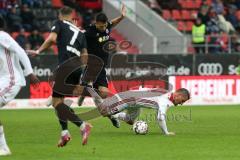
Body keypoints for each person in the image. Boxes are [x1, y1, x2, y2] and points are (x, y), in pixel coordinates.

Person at [27, 6, 92, 147]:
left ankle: (82, 126)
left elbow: (51, 39)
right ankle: (64, 134)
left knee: (56, 103)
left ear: (60, 15)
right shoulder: (80, 33)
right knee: (59, 103)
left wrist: (38, 51)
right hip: (77, 69)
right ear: (72, 15)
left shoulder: (59, 23)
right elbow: (85, 56)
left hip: (65, 67)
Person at [77, 4, 126, 128]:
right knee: (91, 88)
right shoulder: (89, 31)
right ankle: (86, 91)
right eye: (101, 25)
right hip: (91, 65)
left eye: (104, 25)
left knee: (104, 93)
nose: (103, 28)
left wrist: (121, 17)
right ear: (96, 23)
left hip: (102, 67)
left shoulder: (106, 27)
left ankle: (86, 92)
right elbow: (78, 35)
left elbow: (112, 23)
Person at [0, 15, 40, 156]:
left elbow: (19, 51)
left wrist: (29, 73)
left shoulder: (1, 35)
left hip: (11, 80)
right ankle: (3, 147)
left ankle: (4, 148)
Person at [87, 87, 190, 136]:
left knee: (130, 121)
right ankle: (91, 90)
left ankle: (114, 116)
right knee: (103, 112)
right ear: (178, 95)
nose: (181, 103)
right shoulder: (165, 101)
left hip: (136, 103)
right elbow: (160, 117)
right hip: (127, 98)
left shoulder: (167, 93)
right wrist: (166, 133)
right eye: (182, 101)